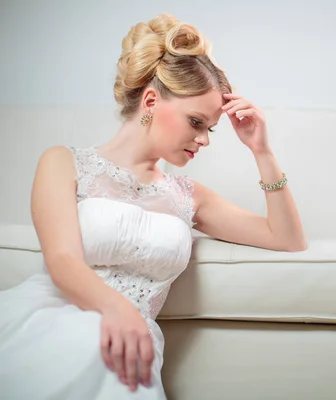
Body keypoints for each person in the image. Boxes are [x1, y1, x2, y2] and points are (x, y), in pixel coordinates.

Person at [0, 13, 306, 399]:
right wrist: (118, 311)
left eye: (209, 128)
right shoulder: (62, 162)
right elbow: (62, 260)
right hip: (59, 324)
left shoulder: (188, 195)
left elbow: (288, 239)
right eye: (196, 122)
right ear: (150, 100)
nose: (204, 140)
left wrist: (261, 149)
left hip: (132, 347)